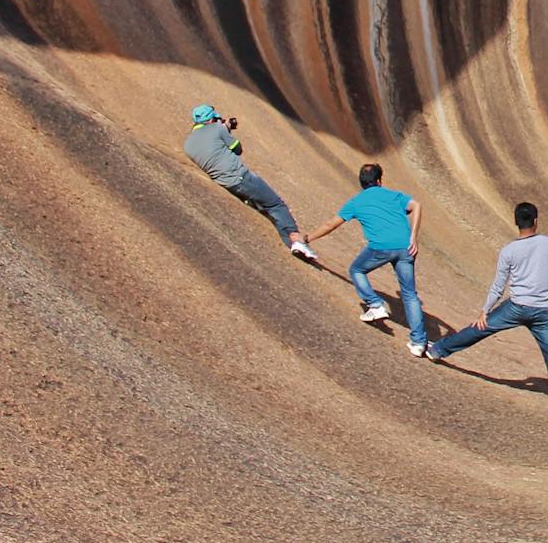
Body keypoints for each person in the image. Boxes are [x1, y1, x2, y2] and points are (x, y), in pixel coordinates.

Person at [426, 202, 548, 415]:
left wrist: (485, 310)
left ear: (516, 222)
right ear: (536, 221)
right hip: (544, 310)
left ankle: (438, 350)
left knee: (480, 329)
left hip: (516, 307)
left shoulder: (509, 250)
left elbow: (498, 285)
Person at [305, 164, 429, 356]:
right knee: (410, 294)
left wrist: (308, 239)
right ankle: (418, 342)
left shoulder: (356, 202)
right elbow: (417, 205)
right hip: (406, 248)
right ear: (379, 181)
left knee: (356, 270)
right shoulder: (393, 195)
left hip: (380, 247)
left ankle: (375, 304)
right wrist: (414, 237)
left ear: (362, 183)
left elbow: (332, 224)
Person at [182, 105, 319, 262]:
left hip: (227, 184)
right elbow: (237, 149)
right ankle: (296, 242)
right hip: (242, 178)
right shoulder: (217, 128)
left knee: (263, 208)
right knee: (276, 205)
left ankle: (293, 242)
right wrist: (225, 129)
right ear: (211, 119)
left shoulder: (188, 145)